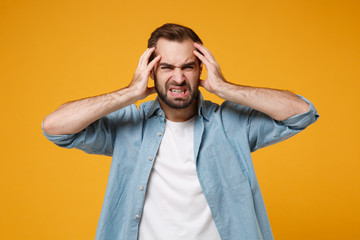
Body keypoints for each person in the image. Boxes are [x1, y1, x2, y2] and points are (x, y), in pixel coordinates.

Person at [42, 23, 319, 240]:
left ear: (201, 69)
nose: (178, 77)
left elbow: (301, 113)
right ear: (151, 72)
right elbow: (55, 127)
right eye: (167, 67)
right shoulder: (128, 126)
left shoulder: (231, 124)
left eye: (188, 66)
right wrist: (128, 93)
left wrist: (225, 88)